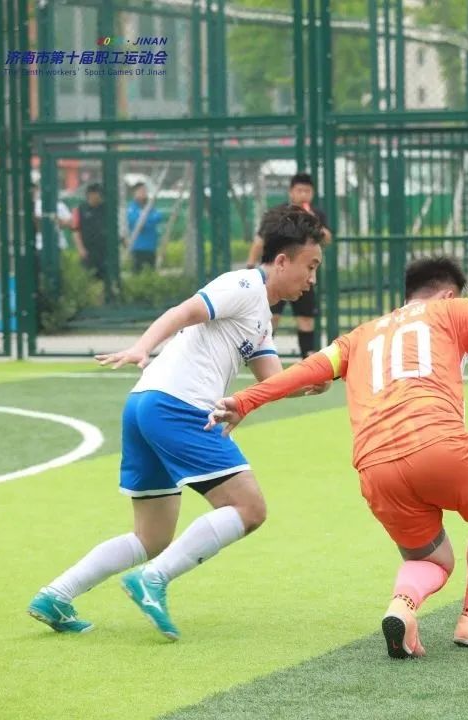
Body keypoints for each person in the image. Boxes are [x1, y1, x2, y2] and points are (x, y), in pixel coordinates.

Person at [207, 256, 468, 658]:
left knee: (430, 557)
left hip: (374, 466)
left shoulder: (359, 336)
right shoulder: (451, 312)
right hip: (438, 442)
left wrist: (245, 401)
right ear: (448, 295)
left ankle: (402, 606)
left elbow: (306, 370)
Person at [27, 206, 327, 640]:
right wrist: (142, 346)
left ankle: (57, 594)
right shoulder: (243, 285)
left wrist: (311, 381)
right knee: (249, 509)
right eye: (310, 266)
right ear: (282, 260)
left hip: (145, 406)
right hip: (176, 407)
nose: (313, 278)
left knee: (152, 536)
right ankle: (154, 579)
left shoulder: (261, 317)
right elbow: (183, 311)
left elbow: (272, 382)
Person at [247, 173, 333, 358]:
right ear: (291, 192)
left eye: (307, 191)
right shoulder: (280, 214)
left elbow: (327, 239)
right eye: (299, 190)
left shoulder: (317, 214)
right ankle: (260, 353)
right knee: (272, 317)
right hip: (279, 275)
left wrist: (312, 221)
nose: (303, 195)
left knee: (306, 319)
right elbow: (260, 240)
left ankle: (307, 359)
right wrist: (250, 264)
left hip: (302, 275)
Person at [72, 183, 109, 283]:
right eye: (95, 193)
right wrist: (81, 249)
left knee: (105, 279)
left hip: (104, 252)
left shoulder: (106, 208)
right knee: (89, 279)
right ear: (89, 195)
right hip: (88, 252)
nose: (97, 196)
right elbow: (75, 231)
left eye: (99, 193)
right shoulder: (80, 209)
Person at [126, 181, 164, 273]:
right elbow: (137, 222)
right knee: (137, 273)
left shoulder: (150, 207)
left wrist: (146, 219)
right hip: (138, 247)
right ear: (134, 193)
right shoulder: (131, 208)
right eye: (141, 191)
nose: (143, 193)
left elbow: (158, 217)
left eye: (145, 190)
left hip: (151, 247)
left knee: (151, 272)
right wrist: (148, 220)